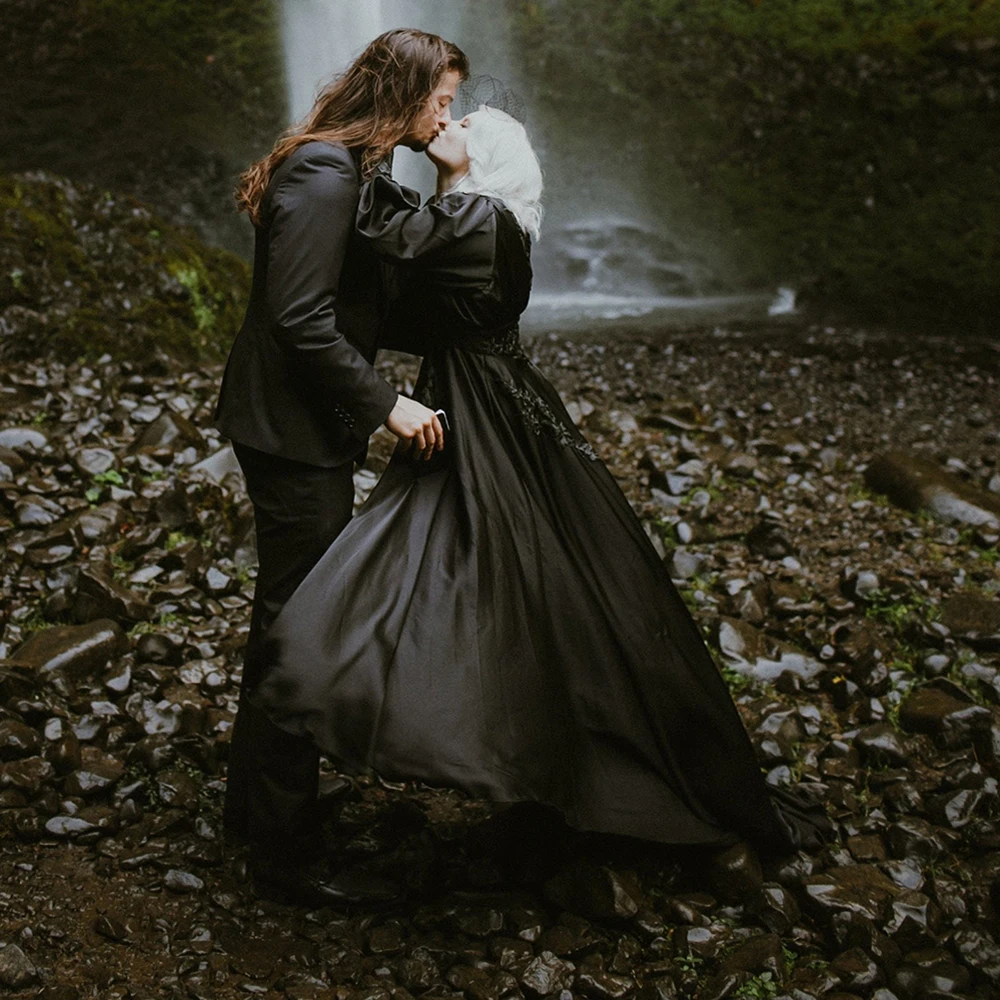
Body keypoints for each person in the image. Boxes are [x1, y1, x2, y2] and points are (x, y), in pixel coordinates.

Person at [251, 105, 832, 865]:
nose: (448, 123)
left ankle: (360, 688)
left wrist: (333, 149)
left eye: (465, 124)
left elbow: (377, 236)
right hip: (495, 401)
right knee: (524, 570)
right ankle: (499, 730)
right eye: (445, 112)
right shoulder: (492, 219)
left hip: (481, 410)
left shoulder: (470, 216)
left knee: (476, 563)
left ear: (484, 156)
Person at [214, 28, 469, 908]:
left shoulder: (356, 171)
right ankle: (284, 858)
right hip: (289, 430)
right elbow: (298, 317)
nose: (449, 118)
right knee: (303, 626)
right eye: (441, 101)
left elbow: (372, 297)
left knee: (285, 612)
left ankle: (253, 813)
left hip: (289, 423)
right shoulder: (326, 175)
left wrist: (451, 178)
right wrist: (386, 406)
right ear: (404, 93)